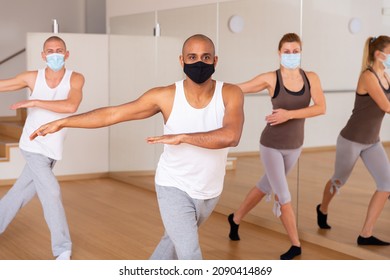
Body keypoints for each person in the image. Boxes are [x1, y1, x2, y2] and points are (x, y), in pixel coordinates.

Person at [30, 34, 245, 260]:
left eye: (205, 57)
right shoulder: (165, 96)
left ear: (215, 61)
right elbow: (113, 114)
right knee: (189, 254)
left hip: (209, 190)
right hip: (173, 185)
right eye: (192, 57)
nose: (199, 62)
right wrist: (63, 121)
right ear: (181, 61)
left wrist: (182, 137)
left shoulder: (230, 93)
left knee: (171, 244)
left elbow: (231, 136)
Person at [227, 33, 326, 260]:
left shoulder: (311, 78)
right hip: (271, 145)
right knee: (283, 195)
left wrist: (288, 115)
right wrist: (211, 87)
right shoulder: (271, 79)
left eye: (295, 51)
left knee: (264, 186)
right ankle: (295, 244)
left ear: (301, 52)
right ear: (279, 53)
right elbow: (238, 88)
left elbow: (321, 108)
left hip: (295, 146)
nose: (291, 55)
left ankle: (235, 218)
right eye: (287, 51)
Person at [0, 36, 85, 260]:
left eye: (59, 50)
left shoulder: (75, 78)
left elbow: (71, 105)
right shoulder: (32, 78)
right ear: (43, 55)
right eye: (49, 50)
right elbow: (3, 84)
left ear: (66, 54)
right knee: (52, 192)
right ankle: (62, 248)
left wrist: (35, 102)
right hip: (32, 144)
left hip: (52, 150)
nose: (54, 54)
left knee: (18, 194)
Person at [316, 35, 390, 246]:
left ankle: (365, 234)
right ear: (379, 54)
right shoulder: (368, 76)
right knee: (339, 181)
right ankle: (322, 208)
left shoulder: (386, 75)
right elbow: (386, 106)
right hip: (351, 140)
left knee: (387, 184)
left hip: (372, 142)